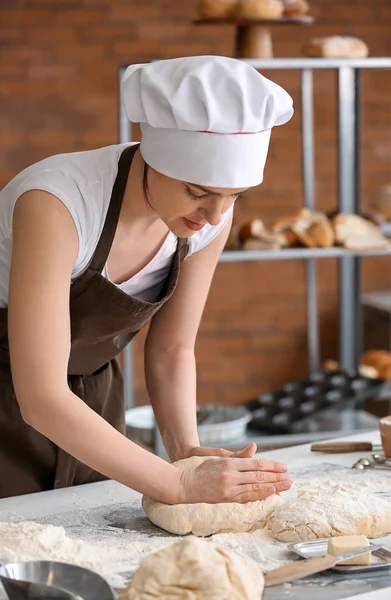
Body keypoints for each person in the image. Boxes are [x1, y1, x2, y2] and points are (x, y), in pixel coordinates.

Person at [0, 55, 294, 502]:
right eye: (197, 192)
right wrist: (177, 485)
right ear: (152, 156)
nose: (215, 215)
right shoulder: (57, 203)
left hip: (93, 399)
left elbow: (173, 347)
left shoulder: (211, 218)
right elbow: (41, 396)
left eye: (233, 196)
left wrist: (185, 453)